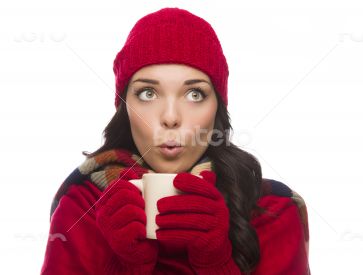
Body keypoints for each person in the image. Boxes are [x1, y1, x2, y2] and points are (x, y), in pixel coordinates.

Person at [40, 7, 311, 275]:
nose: (170, 117)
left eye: (194, 94)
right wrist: (126, 267)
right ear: (124, 108)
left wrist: (216, 265)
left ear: (218, 108)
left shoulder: (273, 210)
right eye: (147, 93)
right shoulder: (81, 206)